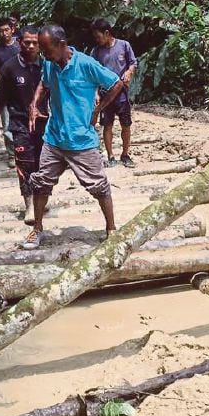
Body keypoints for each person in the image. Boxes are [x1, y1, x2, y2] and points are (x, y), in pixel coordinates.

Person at [22, 25, 124, 249]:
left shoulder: (86, 64)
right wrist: (35, 103)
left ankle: (112, 228)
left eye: (47, 49)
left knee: (99, 186)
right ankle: (36, 229)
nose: (44, 55)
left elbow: (116, 83)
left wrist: (98, 110)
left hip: (81, 140)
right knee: (41, 184)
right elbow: (45, 82)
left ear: (61, 45)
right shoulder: (50, 63)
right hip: (54, 137)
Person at [0, 26, 47, 224]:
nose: (31, 46)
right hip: (19, 123)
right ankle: (29, 205)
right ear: (19, 42)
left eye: (35, 43)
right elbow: (0, 97)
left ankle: (42, 198)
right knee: (24, 164)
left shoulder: (47, 66)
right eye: (27, 42)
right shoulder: (9, 67)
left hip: (45, 123)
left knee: (42, 164)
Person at [90, 19, 138, 168]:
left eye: (98, 37)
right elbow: (92, 74)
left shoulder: (124, 45)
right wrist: (96, 92)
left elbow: (133, 63)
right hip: (105, 94)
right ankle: (111, 156)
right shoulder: (96, 51)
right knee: (107, 125)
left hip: (122, 93)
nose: (97, 40)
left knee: (126, 124)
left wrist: (130, 72)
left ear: (107, 33)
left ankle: (125, 154)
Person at [0, 16, 21, 167]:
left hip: (24, 90)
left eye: (6, 30)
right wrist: (3, 80)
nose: (4, 33)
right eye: (1, 31)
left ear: (12, 30)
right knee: (7, 124)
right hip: (5, 92)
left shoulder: (21, 46)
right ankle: (12, 154)